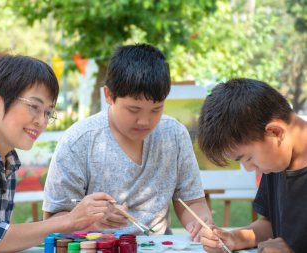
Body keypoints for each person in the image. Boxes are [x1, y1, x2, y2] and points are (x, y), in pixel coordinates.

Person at [0, 55, 115, 253]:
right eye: (34, 106)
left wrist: (87, 221)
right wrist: (69, 220)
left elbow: (0, 237)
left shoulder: (7, 160)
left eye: (48, 113)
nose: (41, 121)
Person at [43, 44, 212, 239]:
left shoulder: (174, 134)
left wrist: (201, 224)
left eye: (156, 110)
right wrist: (89, 221)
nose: (145, 121)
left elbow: (192, 203)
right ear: (108, 95)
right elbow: (53, 218)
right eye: (133, 110)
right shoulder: (78, 142)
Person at [197, 78, 307, 253]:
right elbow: (271, 222)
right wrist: (234, 239)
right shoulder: (276, 162)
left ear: (275, 132)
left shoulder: (274, 159)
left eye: (247, 158)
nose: (248, 168)